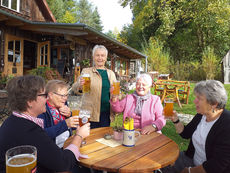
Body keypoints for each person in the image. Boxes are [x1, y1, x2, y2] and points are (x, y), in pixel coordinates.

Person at [0, 75, 90, 173]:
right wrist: (79, 136)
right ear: (30, 101)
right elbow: (63, 164)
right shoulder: (28, 130)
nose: (47, 99)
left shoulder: (13, 121)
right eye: (44, 95)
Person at [162, 80, 230, 173]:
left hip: (209, 170)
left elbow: (217, 165)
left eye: (199, 98)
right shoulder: (202, 115)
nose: (194, 101)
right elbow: (185, 133)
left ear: (214, 103)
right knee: (162, 161)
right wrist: (175, 120)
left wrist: (189, 171)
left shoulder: (226, 124)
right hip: (191, 160)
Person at [72, 45, 116, 129]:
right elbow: (75, 88)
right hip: (88, 112)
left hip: (105, 112)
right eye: (97, 55)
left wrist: (116, 95)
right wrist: (80, 85)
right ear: (93, 57)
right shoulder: (86, 71)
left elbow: (116, 93)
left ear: (106, 58)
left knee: (102, 137)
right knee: (86, 137)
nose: (100, 58)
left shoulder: (111, 73)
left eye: (102, 55)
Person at [38, 80, 79, 148]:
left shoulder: (63, 104)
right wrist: (65, 124)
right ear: (50, 95)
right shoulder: (42, 110)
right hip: (53, 149)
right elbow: (41, 136)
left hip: (67, 144)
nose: (65, 98)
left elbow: (73, 127)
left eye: (66, 95)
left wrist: (69, 115)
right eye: (62, 95)